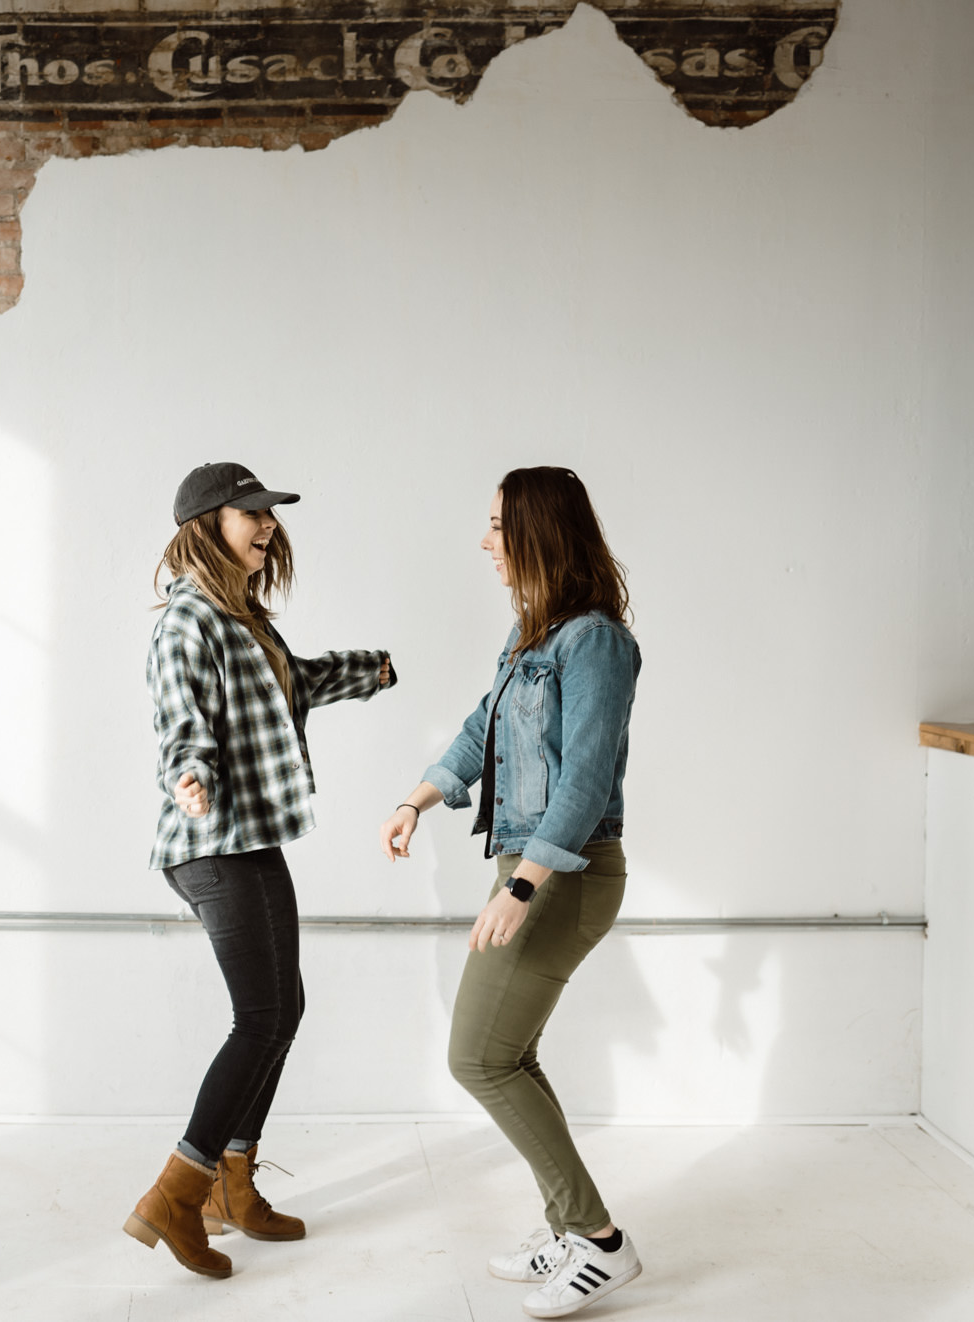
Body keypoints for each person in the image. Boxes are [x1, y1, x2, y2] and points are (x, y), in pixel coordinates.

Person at [378, 466, 642, 1319]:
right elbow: (477, 726)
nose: (485, 542)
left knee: (478, 1059)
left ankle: (600, 1244)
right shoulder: (534, 637)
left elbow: (585, 777)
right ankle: (571, 1226)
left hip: (565, 872)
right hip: (532, 869)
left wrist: (522, 886)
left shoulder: (593, 642)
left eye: (497, 526)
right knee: (509, 1057)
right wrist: (416, 798)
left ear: (538, 532)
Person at [123, 461, 397, 1280]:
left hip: (251, 836)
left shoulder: (245, 621)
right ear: (207, 526)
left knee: (286, 1007)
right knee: (259, 1016)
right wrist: (190, 774)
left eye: (270, 514)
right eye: (252, 513)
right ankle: (177, 1191)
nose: (268, 525)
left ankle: (232, 1186)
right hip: (208, 842)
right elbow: (183, 723)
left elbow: (295, 686)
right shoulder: (186, 624)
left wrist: (371, 670)